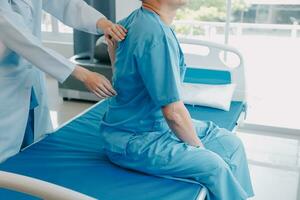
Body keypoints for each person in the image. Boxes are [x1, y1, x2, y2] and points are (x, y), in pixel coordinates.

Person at [101, 0, 254, 200]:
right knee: (213, 166)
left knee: (230, 143)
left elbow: (120, 75)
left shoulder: (134, 22)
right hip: (134, 137)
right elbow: (173, 113)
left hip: (156, 125)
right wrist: (198, 149)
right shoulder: (155, 34)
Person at [0, 0, 127, 163]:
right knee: (7, 159)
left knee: (34, 150)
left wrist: (103, 23)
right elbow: (22, 40)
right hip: (6, 84)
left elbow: (64, 3)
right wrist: (83, 74)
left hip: (29, 79)